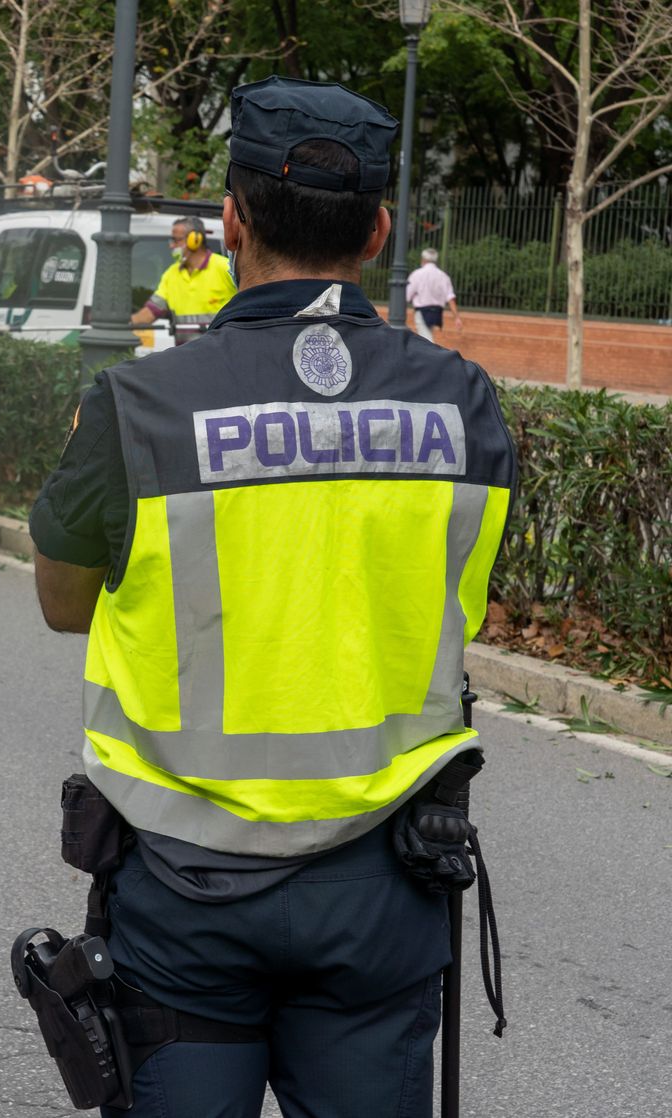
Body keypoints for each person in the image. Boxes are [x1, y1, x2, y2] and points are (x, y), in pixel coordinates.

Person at [29, 76, 517, 1116]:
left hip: (182, 886)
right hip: (383, 880)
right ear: (380, 229)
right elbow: (454, 590)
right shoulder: (465, 402)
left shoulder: (136, 405)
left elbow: (64, 600)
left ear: (230, 220)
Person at [130, 215, 236, 343]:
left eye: (176, 240)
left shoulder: (224, 267)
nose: (171, 246)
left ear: (195, 240)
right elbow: (150, 312)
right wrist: (120, 325)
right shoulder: (172, 274)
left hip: (221, 355)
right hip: (186, 356)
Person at [407, 247, 463, 342]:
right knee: (427, 336)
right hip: (437, 312)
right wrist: (457, 318)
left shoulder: (416, 274)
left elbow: (407, 296)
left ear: (423, 259)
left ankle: (429, 356)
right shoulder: (443, 276)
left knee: (426, 340)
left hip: (422, 311)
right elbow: (450, 298)